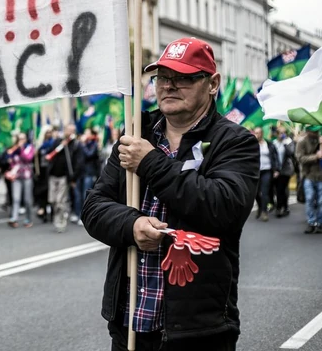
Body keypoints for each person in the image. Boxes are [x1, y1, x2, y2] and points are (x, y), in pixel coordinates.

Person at [82, 37, 258, 350]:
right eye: (162, 77)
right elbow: (94, 207)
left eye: (184, 77)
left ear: (212, 83)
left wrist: (149, 162)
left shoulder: (234, 141)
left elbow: (223, 207)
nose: (169, 85)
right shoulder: (136, 134)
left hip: (197, 331)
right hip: (130, 323)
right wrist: (132, 225)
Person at [46, 124, 79, 233]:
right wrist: (60, 144)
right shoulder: (58, 141)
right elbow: (50, 152)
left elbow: (76, 161)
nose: (70, 132)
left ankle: (60, 222)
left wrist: (73, 177)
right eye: (68, 130)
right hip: (53, 175)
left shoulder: (74, 144)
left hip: (63, 177)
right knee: (53, 200)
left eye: (72, 131)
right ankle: (59, 216)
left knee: (60, 201)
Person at [297, 126, 322, 234]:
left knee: (321, 201)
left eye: (317, 131)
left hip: (321, 176)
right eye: (313, 131)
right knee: (310, 199)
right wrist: (315, 156)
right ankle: (311, 222)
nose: (316, 133)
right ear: (308, 131)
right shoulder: (302, 142)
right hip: (308, 176)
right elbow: (300, 158)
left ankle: (320, 223)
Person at [7, 132, 35, 228]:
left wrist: (21, 149)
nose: (21, 140)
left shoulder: (29, 148)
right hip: (16, 176)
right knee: (16, 198)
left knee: (27, 199)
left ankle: (28, 218)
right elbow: (12, 161)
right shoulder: (14, 149)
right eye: (19, 138)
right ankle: (14, 218)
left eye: (23, 138)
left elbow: (28, 158)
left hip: (27, 176)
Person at [72, 128, 99, 225]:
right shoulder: (80, 144)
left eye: (87, 133)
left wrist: (83, 144)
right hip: (80, 173)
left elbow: (89, 154)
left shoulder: (94, 144)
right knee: (78, 195)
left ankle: (85, 217)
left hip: (89, 173)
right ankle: (78, 214)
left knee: (85, 195)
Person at [253, 127, 278, 222]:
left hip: (267, 171)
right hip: (255, 171)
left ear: (262, 133)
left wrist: (276, 170)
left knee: (265, 192)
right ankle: (260, 207)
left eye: (258, 133)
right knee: (255, 193)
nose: (257, 135)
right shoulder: (252, 145)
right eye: (255, 133)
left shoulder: (269, 144)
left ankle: (264, 211)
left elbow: (275, 157)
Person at [271, 124, 297, 218]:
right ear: (277, 134)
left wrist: (285, 143)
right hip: (276, 170)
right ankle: (285, 207)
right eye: (280, 133)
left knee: (280, 189)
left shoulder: (288, 142)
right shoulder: (274, 143)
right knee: (280, 189)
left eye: (284, 133)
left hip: (286, 170)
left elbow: (291, 153)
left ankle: (279, 208)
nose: (282, 135)